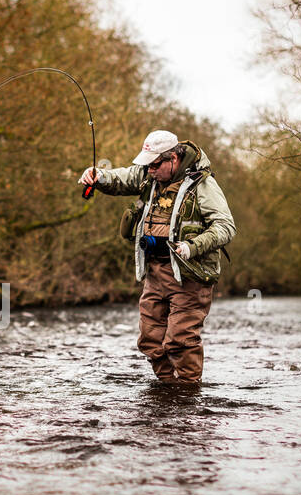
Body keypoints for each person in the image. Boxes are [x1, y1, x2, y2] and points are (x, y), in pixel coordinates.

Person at [78, 130, 236, 384]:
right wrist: (98, 176)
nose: (149, 170)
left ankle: (187, 392)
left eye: (154, 165)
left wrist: (192, 246)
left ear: (173, 158)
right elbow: (122, 178)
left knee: (180, 340)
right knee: (149, 339)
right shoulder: (148, 176)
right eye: (146, 165)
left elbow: (226, 227)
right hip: (155, 272)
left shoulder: (202, 184)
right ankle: (167, 388)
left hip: (190, 275)